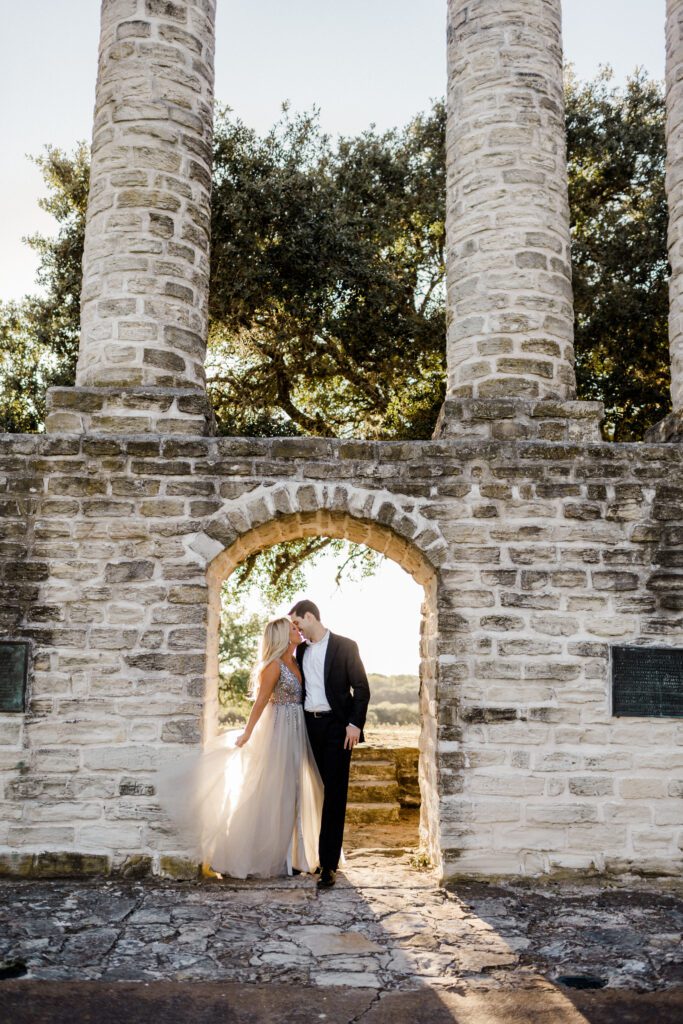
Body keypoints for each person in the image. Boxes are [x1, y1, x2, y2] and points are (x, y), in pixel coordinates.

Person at [157, 617, 323, 879]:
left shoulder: (297, 660)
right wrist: (247, 733)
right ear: (281, 635)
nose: (297, 630)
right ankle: (264, 857)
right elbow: (260, 703)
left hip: (298, 731)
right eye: (293, 628)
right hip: (280, 733)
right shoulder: (274, 666)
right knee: (274, 793)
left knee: (296, 792)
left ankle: (296, 857)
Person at [288, 600, 371, 889]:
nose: (296, 630)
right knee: (307, 791)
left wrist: (354, 724)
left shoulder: (346, 646)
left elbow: (361, 687)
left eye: (297, 624)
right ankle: (298, 856)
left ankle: (329, 866)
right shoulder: (301, 650)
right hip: (306, 727)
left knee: (334, 795)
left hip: (338, 729)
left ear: (310, 616)